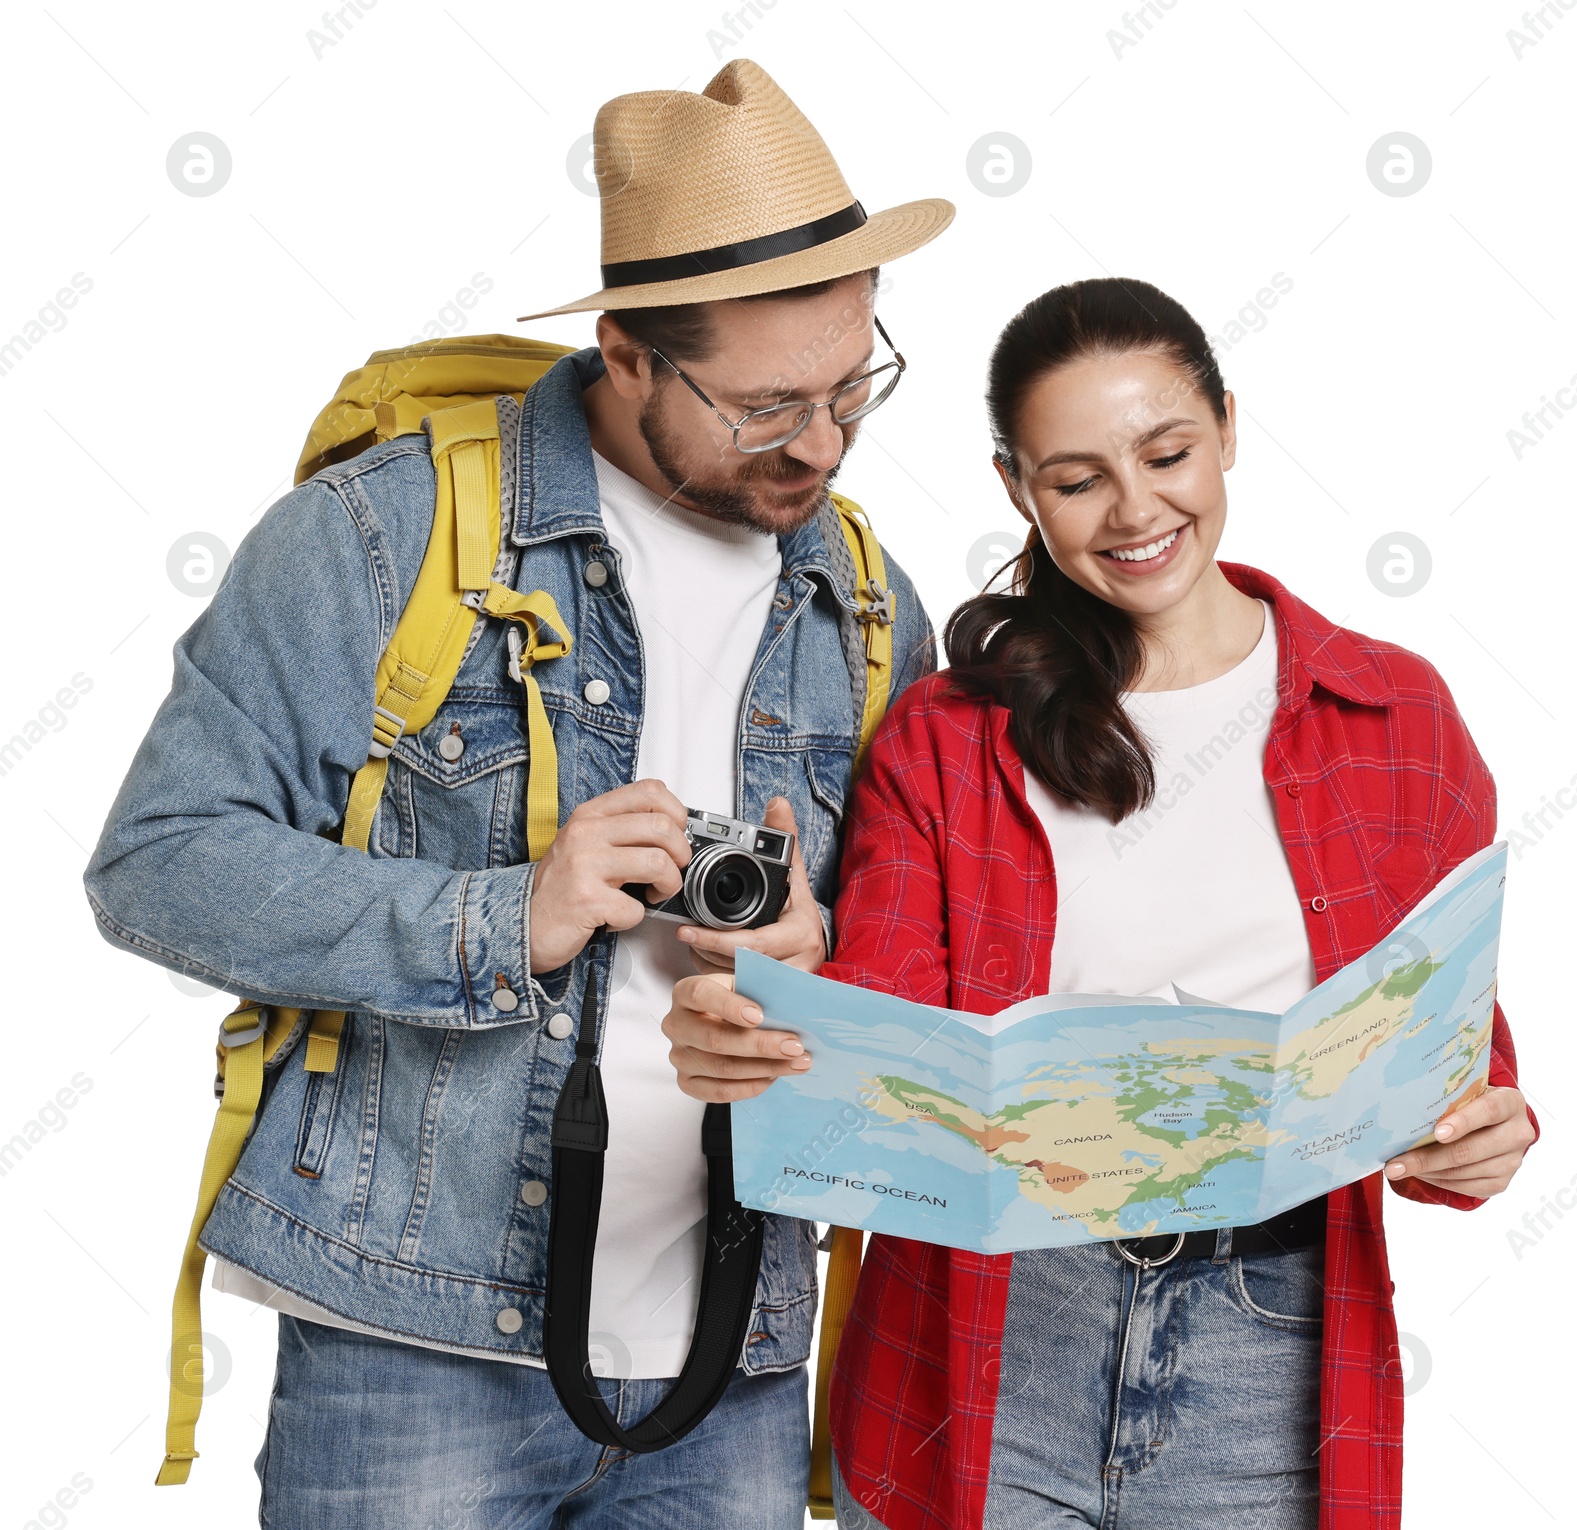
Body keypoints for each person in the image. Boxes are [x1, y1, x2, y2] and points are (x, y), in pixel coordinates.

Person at [83, 59, 947, 1529]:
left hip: (732, 1363)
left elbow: (908, 958)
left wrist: (812, 962)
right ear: (624, 352)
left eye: (853, 384)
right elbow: (157, 862)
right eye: (764, 407)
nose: (821, 443)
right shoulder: (383, 532)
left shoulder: (861, 599)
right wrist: (509, 912)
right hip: (411, 1347)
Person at [662, 277, 1538, 1530]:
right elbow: (885, 1030)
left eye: (1168, 452)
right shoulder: (947, 736)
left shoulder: (1393, 720)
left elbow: (1459, 1057)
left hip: (1268, 1347)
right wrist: (780, 1008)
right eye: (1075, 481)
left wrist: (1482, 1138)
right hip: (986, 1332)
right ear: (1017, 487)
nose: (1136, 512)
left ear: (1227, 430)